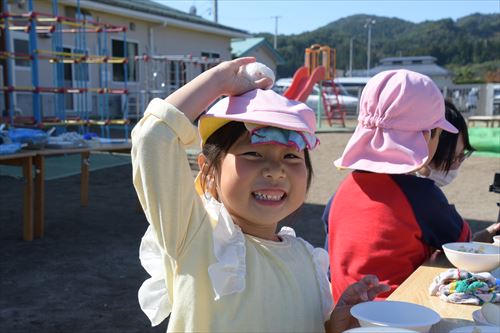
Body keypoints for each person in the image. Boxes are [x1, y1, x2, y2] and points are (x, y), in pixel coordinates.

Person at [131, 58, 389, 333]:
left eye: (291, 156)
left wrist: (333, 325)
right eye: (253, 153)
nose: (276, 171)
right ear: (208, 170)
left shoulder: (307, 259)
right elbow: (153, 136)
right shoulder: (196, 236)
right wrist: (218, 81)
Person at [326, 69, 472, 302]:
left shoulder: (344, 190)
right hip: (397, 317)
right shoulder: (421, 194)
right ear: (426, 136)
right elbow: (463, 246)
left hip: (344, 316)